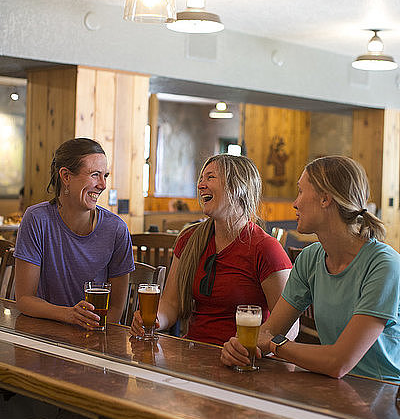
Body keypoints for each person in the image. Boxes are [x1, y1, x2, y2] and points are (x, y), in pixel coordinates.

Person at [221, 155, 400, 383]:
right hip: (334, 388)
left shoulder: (384, 265)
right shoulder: (310, 258)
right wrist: (240, 349)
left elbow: (338, 362)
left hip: (384, 396)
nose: (295, 203)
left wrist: (276, 345)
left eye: (301, 192)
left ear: (325, 199)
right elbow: (268, 332)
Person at [131, 154, 294, 346]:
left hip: (243, 360)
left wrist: (251, 349)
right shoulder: (189, 239)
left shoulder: (266, 248)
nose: (201, 185)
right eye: (201, 179)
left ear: (237, 188)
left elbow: (290, 329)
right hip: (193, 353)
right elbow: (170, 304)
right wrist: (154, 319)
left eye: (210, 177)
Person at [14, 138, 134, 329]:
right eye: (95, 175)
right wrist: (68, 315)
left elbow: (116, 310)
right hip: (47, 335)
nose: (103, 185)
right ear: (66, 176)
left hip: (97, 338)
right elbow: (24, 299)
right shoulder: (36, 219)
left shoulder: (116, 229)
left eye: (105, 176)